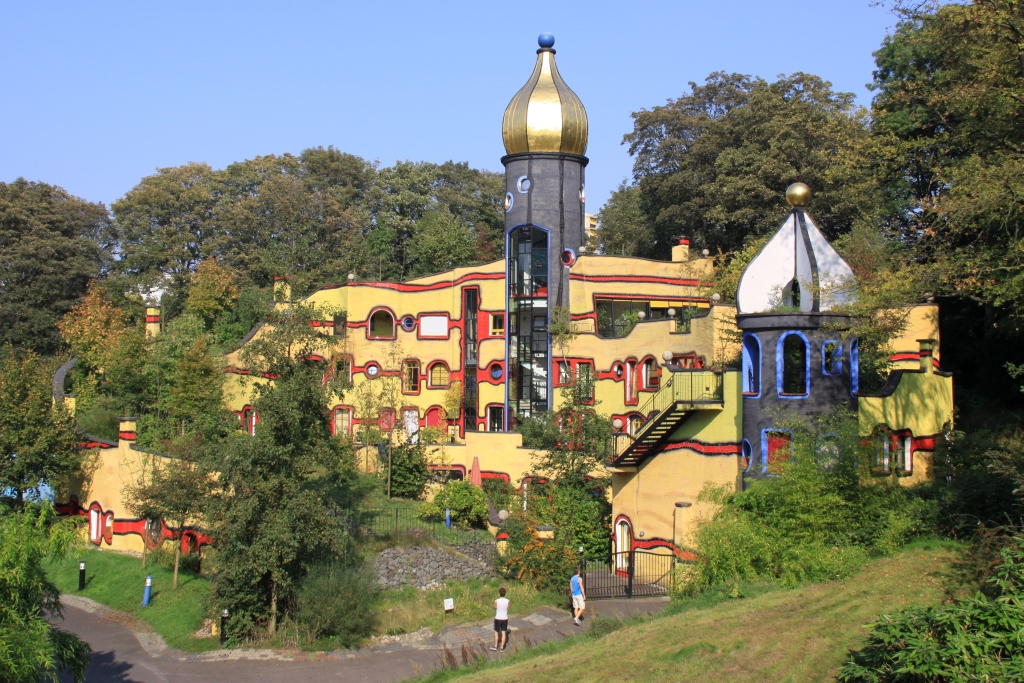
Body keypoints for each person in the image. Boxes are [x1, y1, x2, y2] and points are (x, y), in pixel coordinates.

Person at [491, 586, 509, 651]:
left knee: (496, 632)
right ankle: (502, 647)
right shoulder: (508, 601)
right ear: (505, 593)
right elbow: (508, 608)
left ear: (499, 593)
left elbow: (495, 608)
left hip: (498, 618)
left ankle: (495, 646)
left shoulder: (496, 601)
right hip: (505, 618)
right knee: (504, 632)